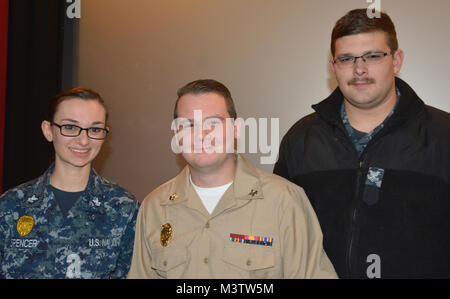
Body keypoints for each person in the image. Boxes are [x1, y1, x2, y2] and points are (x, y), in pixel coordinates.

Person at [274, 9, 450, 278]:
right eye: (346, 59)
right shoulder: (301, 139)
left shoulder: (443, 135)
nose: (359, 69)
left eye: (373, 56)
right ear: (333, 67)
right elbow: (281, 237)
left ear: (396, 60)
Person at [128, 79, 337, 279]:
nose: (202, 135)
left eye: (213, 123)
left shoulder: (284, 201)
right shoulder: (154, 208)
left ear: (236, 129)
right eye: (189, 125)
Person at [0, 87, 139, 279]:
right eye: (71, 127)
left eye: (95, 129)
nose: (83, 140)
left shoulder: (124, 208)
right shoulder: (11, 205)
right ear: (48, 131)